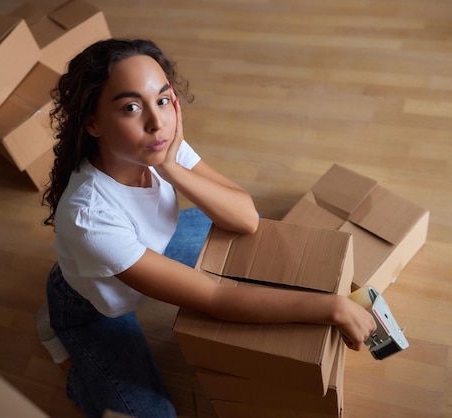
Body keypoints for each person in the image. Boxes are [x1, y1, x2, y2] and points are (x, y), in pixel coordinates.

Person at [41, 38, 376, 418]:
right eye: (131, 107)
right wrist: (330, 308)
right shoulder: (88, 216)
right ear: (93, 122)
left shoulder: (159, 144)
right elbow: (215, 299)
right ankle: (75, 360)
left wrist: (170, 167)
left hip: (152, 245)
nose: (156, 122)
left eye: (163, 100)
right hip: (93, 308)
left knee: (240, 229)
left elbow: (246, 218)